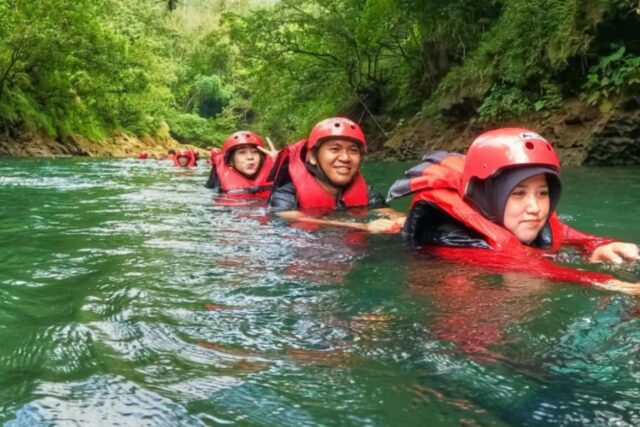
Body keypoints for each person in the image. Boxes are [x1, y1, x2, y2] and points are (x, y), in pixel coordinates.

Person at [387, 127, 640, 294]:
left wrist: (598, 244)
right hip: (432, 286)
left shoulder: (520, 216)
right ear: (486, 194)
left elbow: (564, 231)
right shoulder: (452, 237)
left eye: (543, 193)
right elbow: (527, 265)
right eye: (518, 193)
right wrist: (617, 285)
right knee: (465, 291)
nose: (535, 208)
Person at [268, 117, 404, 232]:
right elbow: (288, 216)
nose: (345, 157)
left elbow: (387, 212)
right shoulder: (287, 189)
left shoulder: (366, 191)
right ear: (313, 157)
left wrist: (401, 220)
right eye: (334, 149)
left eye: (353, 150)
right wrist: (360, 226)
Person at [205, 131, 277, 199]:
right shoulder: (218, 179)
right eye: (242, 152)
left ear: (262, 158)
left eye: (254, 152)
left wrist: (280, 165)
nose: (250, 157)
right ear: (231, 161)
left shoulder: (276, 172)